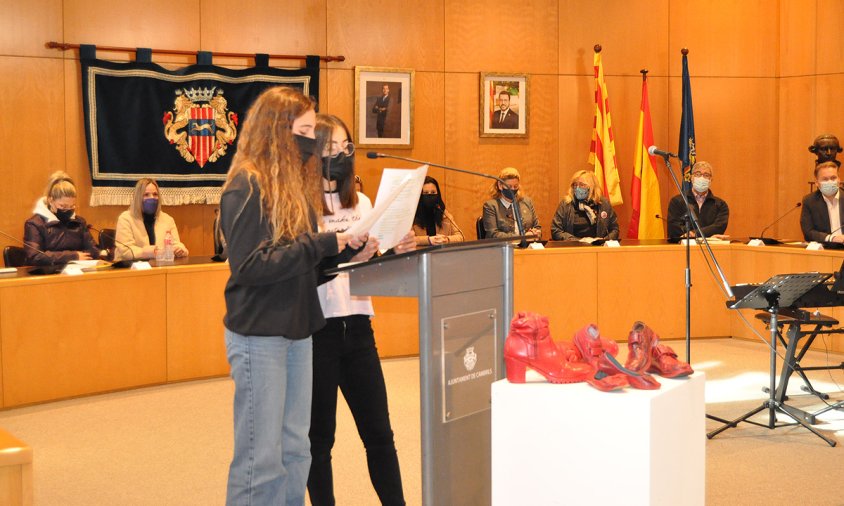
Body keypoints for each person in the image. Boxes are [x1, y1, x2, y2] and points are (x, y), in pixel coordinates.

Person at [218, 87, 367, 505]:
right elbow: (250, 267)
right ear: (277, 131)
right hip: (259, 336)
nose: (312, 142)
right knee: (260, 459)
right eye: (304, 131)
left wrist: (348, 254)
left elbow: (298, 269)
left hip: (300, 332)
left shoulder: (295, 188)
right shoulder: (245, 185)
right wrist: (324, 244)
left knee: (296, 451)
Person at [308, 113, 412, 506]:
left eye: (344, 147)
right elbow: (308, 268)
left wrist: (390, 250)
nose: (339, 154)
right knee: (319, 442)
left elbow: (369, 268)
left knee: (380, 435)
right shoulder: (301, 205)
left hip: (359, 330)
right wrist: (347, 248)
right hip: (317, 332)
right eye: (330, 147)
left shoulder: (362, 201)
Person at [23, 171, 101, 265]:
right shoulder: (35, 224)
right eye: (63, 206)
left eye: (72, 206)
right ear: (50, 200)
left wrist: (89, 254)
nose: (68, 210)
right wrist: (72, 257)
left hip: (78, 272)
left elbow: (94, 250)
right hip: (48, 275)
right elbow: (35, 257)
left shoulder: (79, 222)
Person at [114, 178, 188, 261]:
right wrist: (151, 252)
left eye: (155, 194)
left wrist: (180, 250)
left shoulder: (168, 219)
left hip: (159, 268)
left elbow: (176, 244)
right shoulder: (125, 218)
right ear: (138, 197)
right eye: (146, 195)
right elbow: (126, 251)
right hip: (131, 269)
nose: (152, 198)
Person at [666, 161, 729, 239]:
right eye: (698, 174)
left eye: (706, 175)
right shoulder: (677, 201)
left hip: (711, 248)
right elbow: (673, 228)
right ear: (692, 178)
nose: (702, 178)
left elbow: (718, 227)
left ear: (711, 180)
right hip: (683, 248)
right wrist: (701, 235)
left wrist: (694, 233)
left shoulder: (720, 204)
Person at [550, 170, 619, 241]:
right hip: (573, 248)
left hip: (599, 248)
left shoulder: (604, 204)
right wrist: (578, 241)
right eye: (575, 185)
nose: (577, 188)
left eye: (582, 185)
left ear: (592, 187)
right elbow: (556, 231)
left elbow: (614, 229)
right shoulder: (566, 204)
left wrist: (602, 241)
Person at [482, 167, 541, 239]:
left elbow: (537, 227)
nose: (513, 189)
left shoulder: (527, 202)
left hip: (528, 248)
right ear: (500, 185)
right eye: (509, 186)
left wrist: (535, 233)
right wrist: (522, 237)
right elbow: (493, 234)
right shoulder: (491, 206)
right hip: (504, 248)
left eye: (515, 186)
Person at [412, 176, 465, 246]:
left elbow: (461, 237)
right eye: (426, 193)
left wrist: (447, 239)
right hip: (420, 256)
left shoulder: (443, 213)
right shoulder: (412, 216)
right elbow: (407, 241)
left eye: (433, 192)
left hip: (442, 255)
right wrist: (428, 240)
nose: (430, 195)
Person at [800, 160, 844, 242]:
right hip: (824, 249)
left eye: (833, 178)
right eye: (825, 179)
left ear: (839, 179)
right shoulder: (809, 201)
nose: (830, 182)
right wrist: (831, 238)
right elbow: (808, 232)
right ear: (817, 183)